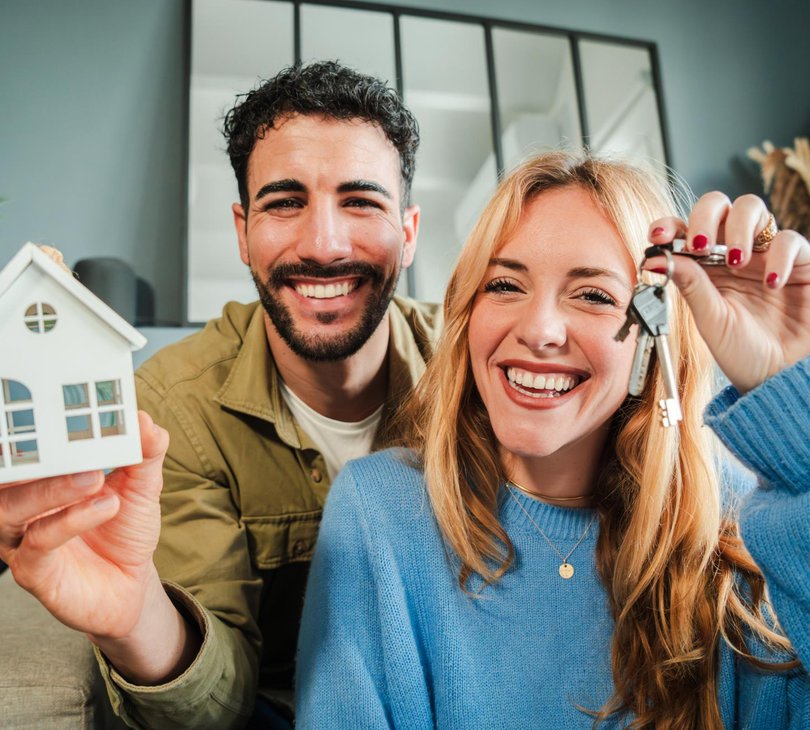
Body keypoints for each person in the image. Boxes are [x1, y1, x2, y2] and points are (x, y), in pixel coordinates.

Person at [296, 151, 810, 728]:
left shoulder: (741, 523)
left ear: (653, 335)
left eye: (593, 295)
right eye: (506, 284)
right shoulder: (380, 510)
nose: (539, 329)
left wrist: (790, 405)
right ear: (468, 312)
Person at [0, 61, 439, 728]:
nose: (323, 244)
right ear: (242, 231)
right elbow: (220, 700)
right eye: (285, 202)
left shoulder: (482, 362)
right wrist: (136, 616)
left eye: (360, 201)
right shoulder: (175, 407)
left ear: (407, 232)